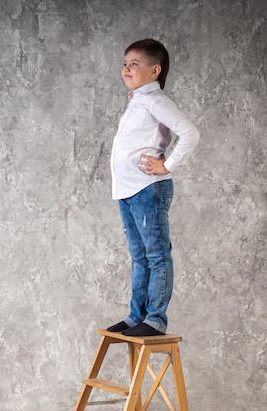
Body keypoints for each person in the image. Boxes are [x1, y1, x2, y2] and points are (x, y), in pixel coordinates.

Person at [107, 39, 200, 336]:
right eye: (125, 64)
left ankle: (156, 319)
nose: (126, 69)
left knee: (157, 255)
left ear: (154, 70)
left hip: (148, 189)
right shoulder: (138, 101)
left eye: (134, 64)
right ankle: (137, 316)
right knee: (139, 256)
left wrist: (167, 165)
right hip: (128, 190)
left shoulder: (155, 101)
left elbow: (190, 132)